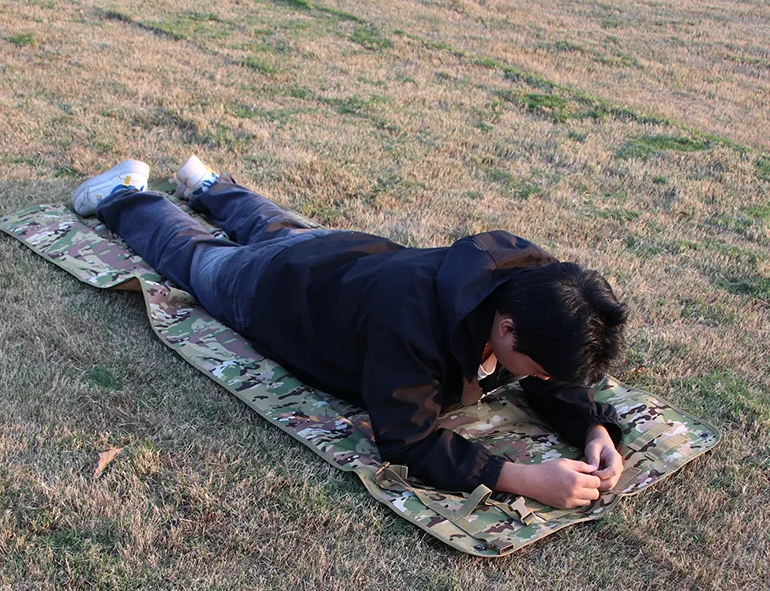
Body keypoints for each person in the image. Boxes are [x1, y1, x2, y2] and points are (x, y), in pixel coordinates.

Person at [73, 157, 628, 509]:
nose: (542, 380)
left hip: (342, 253)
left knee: (278, 227)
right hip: (277, 293)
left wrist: (592, 429)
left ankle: (209, 183)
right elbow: (406, 439)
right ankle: (124, 193)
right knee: (195, 258)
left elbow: (553, 366)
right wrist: (524, 479)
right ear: (506, 329)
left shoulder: (536, 284)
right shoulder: (411, 327)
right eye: (539, 369)